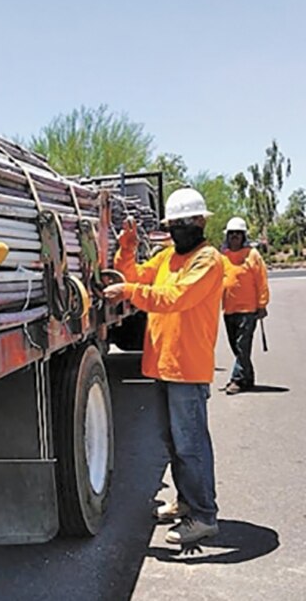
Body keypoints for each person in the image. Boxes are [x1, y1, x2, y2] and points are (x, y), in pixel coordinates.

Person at [103, 188, 225, 545]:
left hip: (188, 367)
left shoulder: (208, 261)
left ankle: (204, 516)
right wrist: (126, 246)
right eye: (176, 224)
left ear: (201, 222)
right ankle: (187, 502)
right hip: (161, 365)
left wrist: (129, 293)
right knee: (172, 441)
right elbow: (136, 276)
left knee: (191, 444)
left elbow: (176, 298)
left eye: (187, 223)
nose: (181, 230)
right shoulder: (167, 257)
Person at [220, 217, 270, 394]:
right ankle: (248, 377)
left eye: (238, 234)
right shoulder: (223, 257)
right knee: (236, 347)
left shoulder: (253, 255)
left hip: (248, 310)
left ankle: (237, 380)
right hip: (229, 309)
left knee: (243, 345)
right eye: (231, 234)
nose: (234, 237)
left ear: (243, 236)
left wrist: (262, 304)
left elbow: (261, 280)